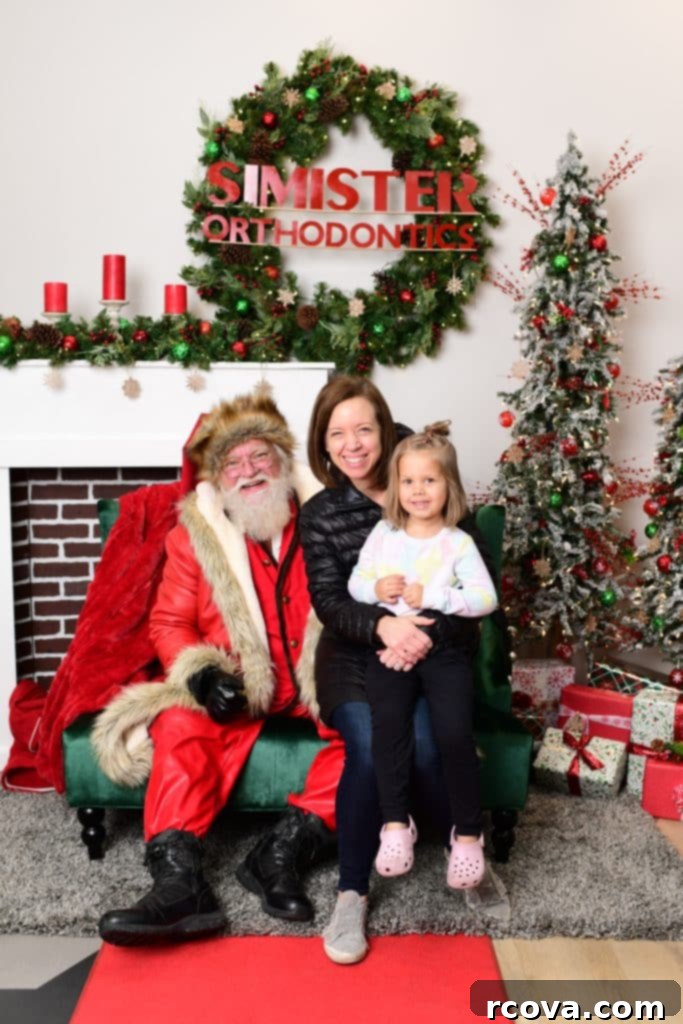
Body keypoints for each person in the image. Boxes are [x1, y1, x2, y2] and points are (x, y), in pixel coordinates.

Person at [94, 385, 344, 945]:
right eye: (233, 464)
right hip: (238, 684)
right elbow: (169, 623)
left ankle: (280, 853)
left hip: (319, 677)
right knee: (179, 724)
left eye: (259, 456)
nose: (249, 471)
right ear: (218, 480)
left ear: (282, 461)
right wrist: (202, 674)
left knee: (377, 727)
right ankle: (180, 886)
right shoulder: (193, 539)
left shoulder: (330, 518)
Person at [299, 376, 494, 965]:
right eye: (337, 434)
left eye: (363, 428)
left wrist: (419, 637)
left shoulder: (430, 476)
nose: (352, 444)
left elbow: (477, 591)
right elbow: (331, 602)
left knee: (434, 747)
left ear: (384, 429)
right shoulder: (321, 514)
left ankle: (460, 848)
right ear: (323, 444)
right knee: (368, 740)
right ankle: (352, 891)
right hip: (354, 652)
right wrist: (385, 628)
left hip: (433, 647)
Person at [348, 422, 498, 888]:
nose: (417, 490)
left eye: (429, 480)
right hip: (393, 650)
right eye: (408, 481)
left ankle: (468, 833)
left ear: (448, 486)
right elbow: (354, 584)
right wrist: (375, 588)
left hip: (445, 652)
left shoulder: (458, 543)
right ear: (397, 487)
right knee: (388, 728)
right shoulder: (384, 534)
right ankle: (396, 824)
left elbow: (484, 599)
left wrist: (433, 596)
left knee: (453, 734)